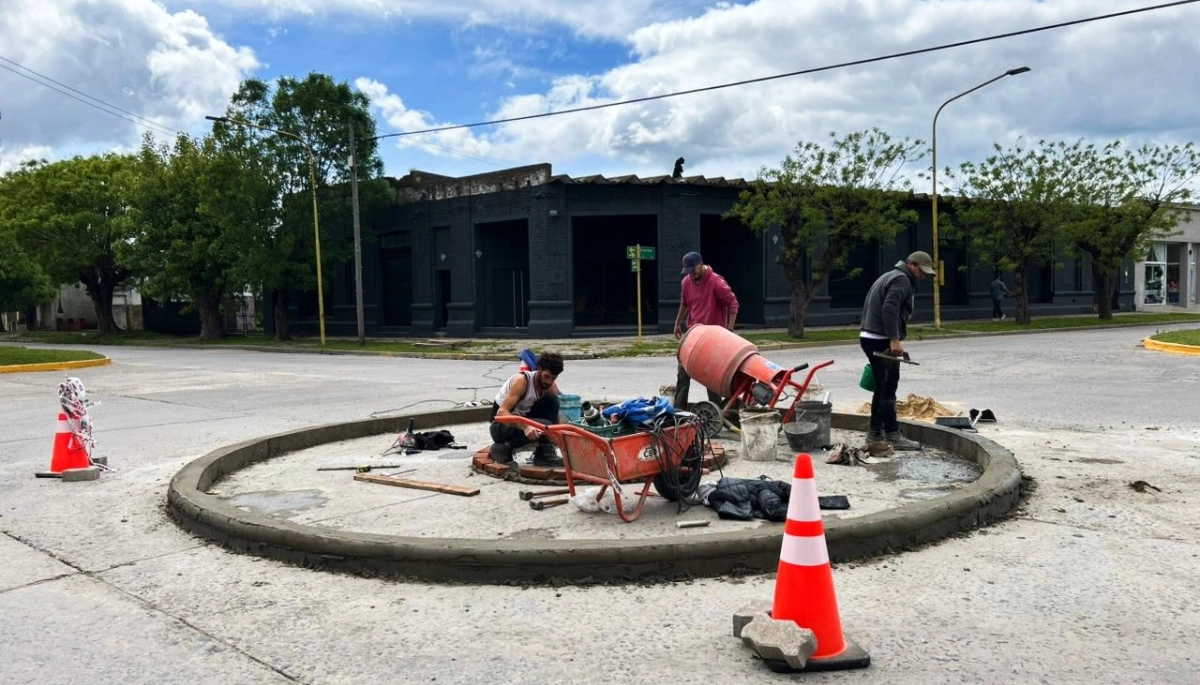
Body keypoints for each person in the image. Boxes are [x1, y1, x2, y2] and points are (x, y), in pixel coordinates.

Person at [859, 251, 935, 456]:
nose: (923, 276)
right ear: (911, 264)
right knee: (888, 387)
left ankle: (875, 433)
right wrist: (894, 339)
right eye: (921, 270)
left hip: (871, 336)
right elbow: (889, 309)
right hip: (879, 338)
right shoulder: (902, 279)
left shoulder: (891, 275)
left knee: (882, 387)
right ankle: (892, 434)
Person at [673, 251, 739, 410]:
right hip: (694, 334)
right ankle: (679, 412)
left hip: (713, 337)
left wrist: (729, 329)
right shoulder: (686, 282)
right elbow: (685, 303)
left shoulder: (716, 282)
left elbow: (733, 303)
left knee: (710, 376)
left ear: (700, 265)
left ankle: (715, 412)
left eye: (693, 271)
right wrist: (677, 323)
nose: (691, 275)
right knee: (683, 373)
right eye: (687, 272)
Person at [489, 352, 565, 468]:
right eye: (546, 376)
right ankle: (504, 446)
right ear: (539, 369)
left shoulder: (550, 386)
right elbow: (501, 413)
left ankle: (544, 453)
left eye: (553, 378)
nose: (548, 382)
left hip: (521, 419)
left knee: (553, 402)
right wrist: (526, 426)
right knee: (545, 425)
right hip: (499, 426)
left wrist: (560, 435)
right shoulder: (522, 381)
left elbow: (556, 415)